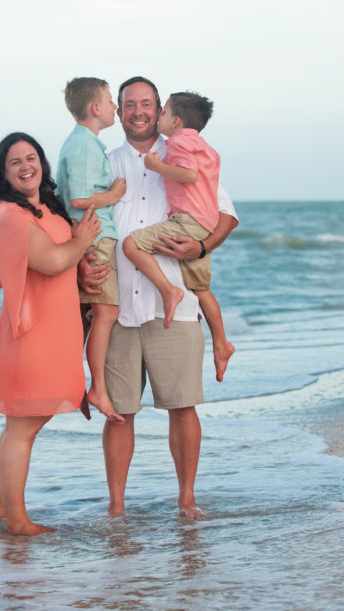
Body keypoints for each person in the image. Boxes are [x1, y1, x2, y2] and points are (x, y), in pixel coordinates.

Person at [79, 77, 238, 519]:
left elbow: (226, 214)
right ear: (119, 111)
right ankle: (116, 506)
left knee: (182, 407)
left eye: (146, 104)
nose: (138, 111)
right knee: (119, 414)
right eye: (128, 104)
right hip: (116, 307)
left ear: (160, 110)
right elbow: (79, 223)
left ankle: (186, 498)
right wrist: (79, 265)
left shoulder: (183, 151)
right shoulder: (104, 162)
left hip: (178, 308)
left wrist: (202, 247)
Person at [0, 132, 101, 536]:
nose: (27, 166)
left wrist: (82, 265)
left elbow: (64, 259)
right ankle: (18, 520)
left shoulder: (43, 208)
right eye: (16, 162)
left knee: (28, 419)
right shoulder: (9, 215)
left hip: (56, 329)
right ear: (3, 172)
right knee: (23, 425)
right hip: (31, 333)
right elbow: (52, 260)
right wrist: (80, 244)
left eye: (32, 157)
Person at [122, 91, 235, 382]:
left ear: (175, 119)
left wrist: (157, 167)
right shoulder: (202, 145)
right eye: (130, 104)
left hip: (187, 223)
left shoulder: (179, 143)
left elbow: (189, 176)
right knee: (201, 289)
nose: (154, 114)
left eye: (158, 108)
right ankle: (221, 343)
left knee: (131, 244)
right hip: (200, 223)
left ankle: (168, 291)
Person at [56, 78, 126, 421]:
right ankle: (96, 387)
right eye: (111, 101)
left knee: (86, 317)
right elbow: (80, 199)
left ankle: (73, 382)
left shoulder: (83, 143)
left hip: (91, 236)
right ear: (95, 108)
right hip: (96, 235)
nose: (115, 107)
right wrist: (113, 196)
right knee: (106, 312)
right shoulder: (84, 145)